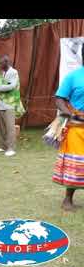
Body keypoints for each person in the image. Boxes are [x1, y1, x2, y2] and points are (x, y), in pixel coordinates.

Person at [52, 45, 84, 211]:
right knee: (77, 166)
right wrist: (69, 114)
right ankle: (67, 200)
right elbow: (59, 98)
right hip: (78, 128)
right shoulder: (73, 77)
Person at [0, 55, 24, 157]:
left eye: (1, 63)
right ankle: (3, 146)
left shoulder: (13, 72)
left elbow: (11, 86)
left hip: (9, 104)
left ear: (7, 62)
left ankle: (11, 148)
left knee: (10, 127)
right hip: (0, 104)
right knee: (1, 127)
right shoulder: (2, 73)